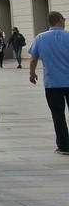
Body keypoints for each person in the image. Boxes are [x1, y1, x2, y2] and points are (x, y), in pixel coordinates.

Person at [29, 11, 69, 155]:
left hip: (52, 83)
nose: (64, 22)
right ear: (59, 21)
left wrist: (32, 73)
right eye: (63, 20)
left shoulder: (41, 38)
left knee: (58, 115)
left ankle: (64, 146)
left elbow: (33, 58)